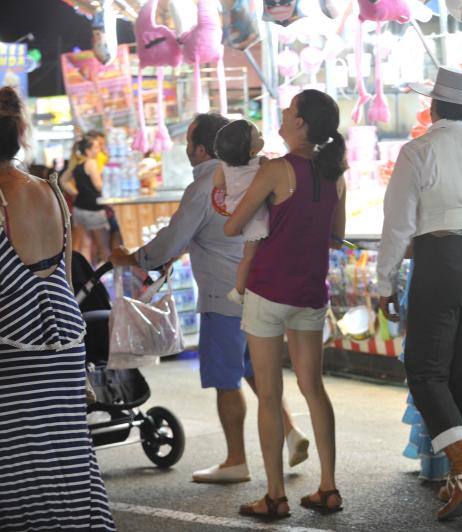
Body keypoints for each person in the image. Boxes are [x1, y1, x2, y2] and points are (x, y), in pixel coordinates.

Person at [110, 113, 308, 486]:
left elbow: (173, 238)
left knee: (227, 380)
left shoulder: (206, 186)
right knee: (256, 372)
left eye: (188, 143)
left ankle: (236, 460)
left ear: (203, 149)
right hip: (264, 294)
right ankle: (291, 431)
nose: (186, 150)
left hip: (224, 297)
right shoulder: (259, 176)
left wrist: (134, 258)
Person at [377, 66, 462, 521]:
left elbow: (398, 223)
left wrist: (383, 280)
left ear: (433, 107)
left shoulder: (419, 150)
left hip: (442, 260)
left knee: (424, 371)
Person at [224, 89, 347, 521]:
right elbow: (337, 233)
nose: (283, 112)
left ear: (300, 123)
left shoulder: (277, 170)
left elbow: (234, 225)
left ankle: (275, 496)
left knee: (270, 394)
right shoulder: (335, 173)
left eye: (290, 109)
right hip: (310, 293)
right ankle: (328, 487)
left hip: (268, 292)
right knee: (314, 388)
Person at [0, 86, 116, 530]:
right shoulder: (49, 190)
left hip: (14, 339)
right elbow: (66, 279)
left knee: (17, 463)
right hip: (65, 337)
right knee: (67, 454)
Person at [211, 119, 269, 304]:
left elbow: (218, 183)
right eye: (259, 135)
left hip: (233, 208)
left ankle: (241, 289)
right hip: (256, 215)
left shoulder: (225, 165)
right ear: (253, 151)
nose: (262, 136)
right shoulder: (262, 162)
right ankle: (239, 290)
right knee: (250, 255)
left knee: (248, 254)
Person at [60, 134, 111, 264]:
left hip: (79, 209)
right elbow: (99, 186)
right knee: (104, 247)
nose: (98, 149)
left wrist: (76, 193)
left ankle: (87, 278)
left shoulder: (78, 164)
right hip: (94, 210)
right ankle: (115, 279)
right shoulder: (92, 163)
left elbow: (63, 180)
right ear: (88, 150)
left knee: (86, 245)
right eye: (95, 147)